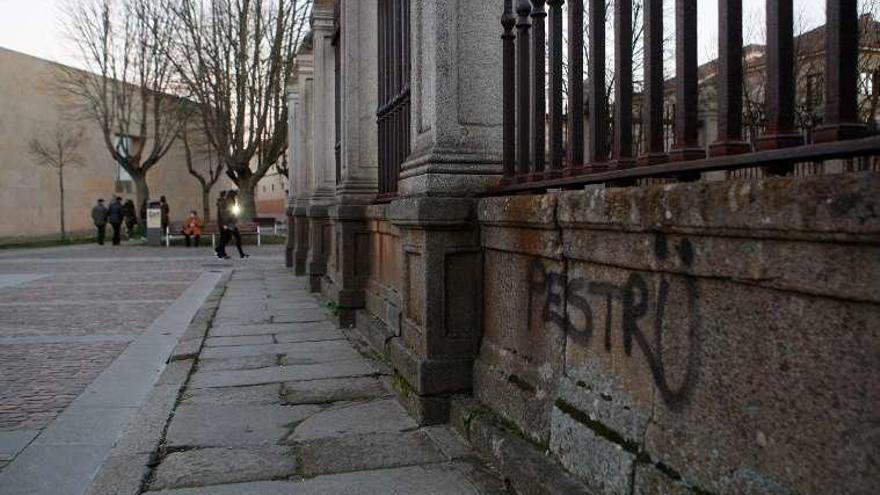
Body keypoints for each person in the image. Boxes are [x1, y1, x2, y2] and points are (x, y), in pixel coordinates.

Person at [224, 191, 249, 259]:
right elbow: (229, 213)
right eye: (235, 196)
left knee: (228, 238)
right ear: (232, 196)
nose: (236, 198)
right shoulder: (230, 202)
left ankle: (241, 254)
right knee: (236, 238)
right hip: (230, 224)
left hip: (230, 223)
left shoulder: (231, 202)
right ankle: (241, 254)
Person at [214, 191, 230, 259]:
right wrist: (224, 224)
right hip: (223, 223)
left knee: (226, 237)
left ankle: (219, 250)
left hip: (223, 223)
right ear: (225, 195)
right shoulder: (222, 202)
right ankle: (221, 253)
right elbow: (223, 213)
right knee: (225, 237)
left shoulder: (223, 201)